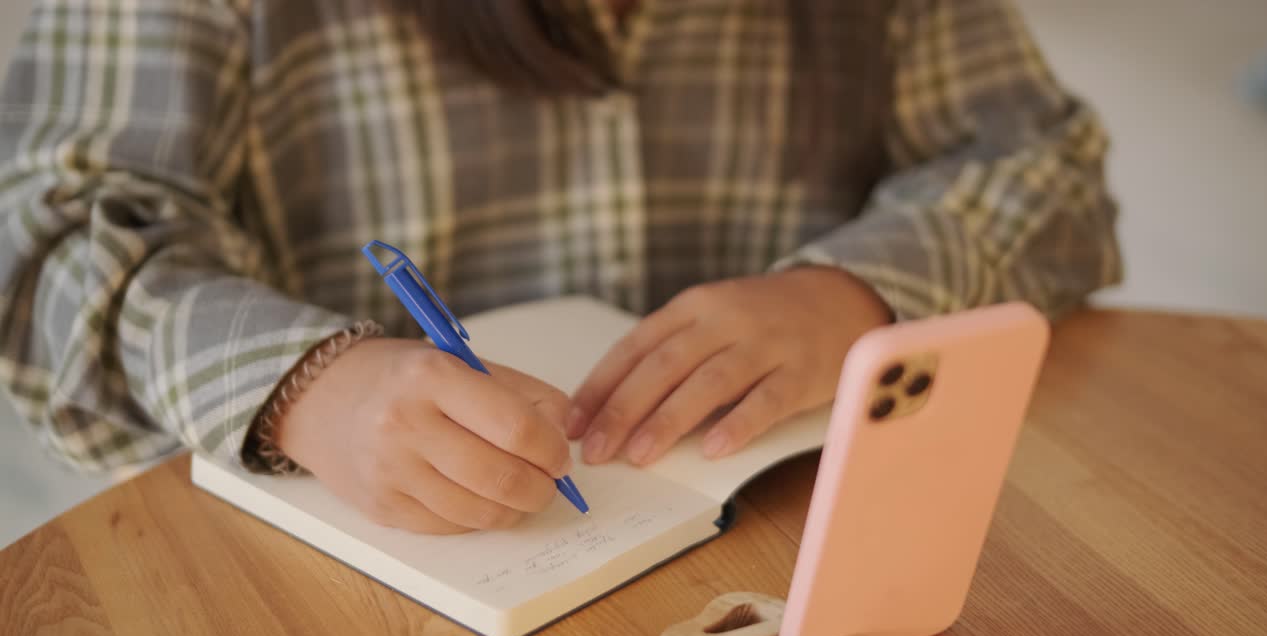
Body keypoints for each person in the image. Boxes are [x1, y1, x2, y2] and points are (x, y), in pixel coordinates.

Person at [0, 0, 1120, 534]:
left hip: (783, 545)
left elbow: (1042, 159)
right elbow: (47, 240)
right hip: (377, 610)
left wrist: (852, 295)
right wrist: (305, 390)